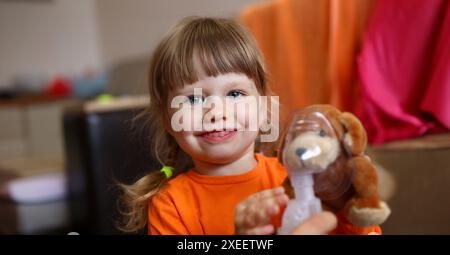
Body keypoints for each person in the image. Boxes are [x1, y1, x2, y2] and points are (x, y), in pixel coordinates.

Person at [119, 16, 381, 235]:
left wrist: (348, 197)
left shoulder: (296, 175)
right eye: (194, 99)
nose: (216, 112)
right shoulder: (170, 204)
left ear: (264, 106)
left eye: (234, 94)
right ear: (168, 119)